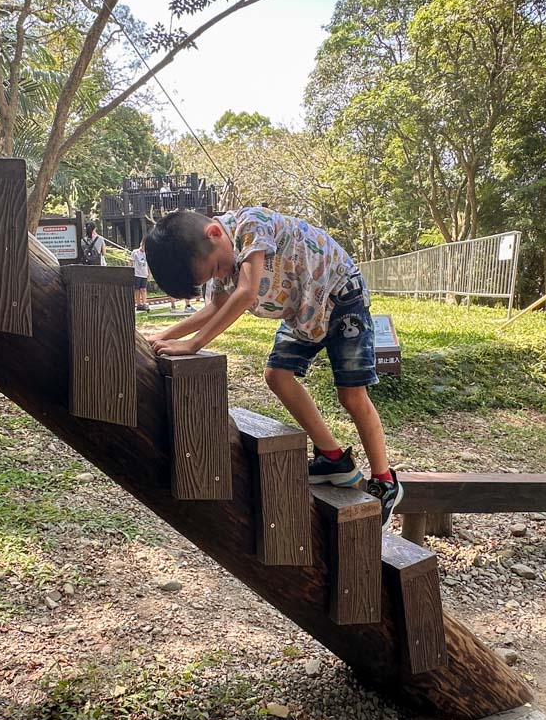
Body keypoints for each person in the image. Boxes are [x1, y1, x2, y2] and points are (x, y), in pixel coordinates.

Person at [144, 208, 402, 529]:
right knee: (277, 376)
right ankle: (334, 459)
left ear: (214, 232)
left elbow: (247, 292)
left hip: (339, 297)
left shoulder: (251, 225)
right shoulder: (221, 255)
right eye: (210, 276)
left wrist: (193, 344)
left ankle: (385, 480)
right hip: (303, 310)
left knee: (351, 396)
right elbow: (215, 305)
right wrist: (159, 337)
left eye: (217, 268)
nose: (218, 275)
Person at [130, 239, 149, 311]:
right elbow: (131, 261)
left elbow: (148, 264)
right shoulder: (135, 252)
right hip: (137, 273)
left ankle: (144, 303)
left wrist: (149, 273)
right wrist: (130, 271)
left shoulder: (147, 253)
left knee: (143, 289)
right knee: (137, 289)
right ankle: (138, 304)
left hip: (144, 273)